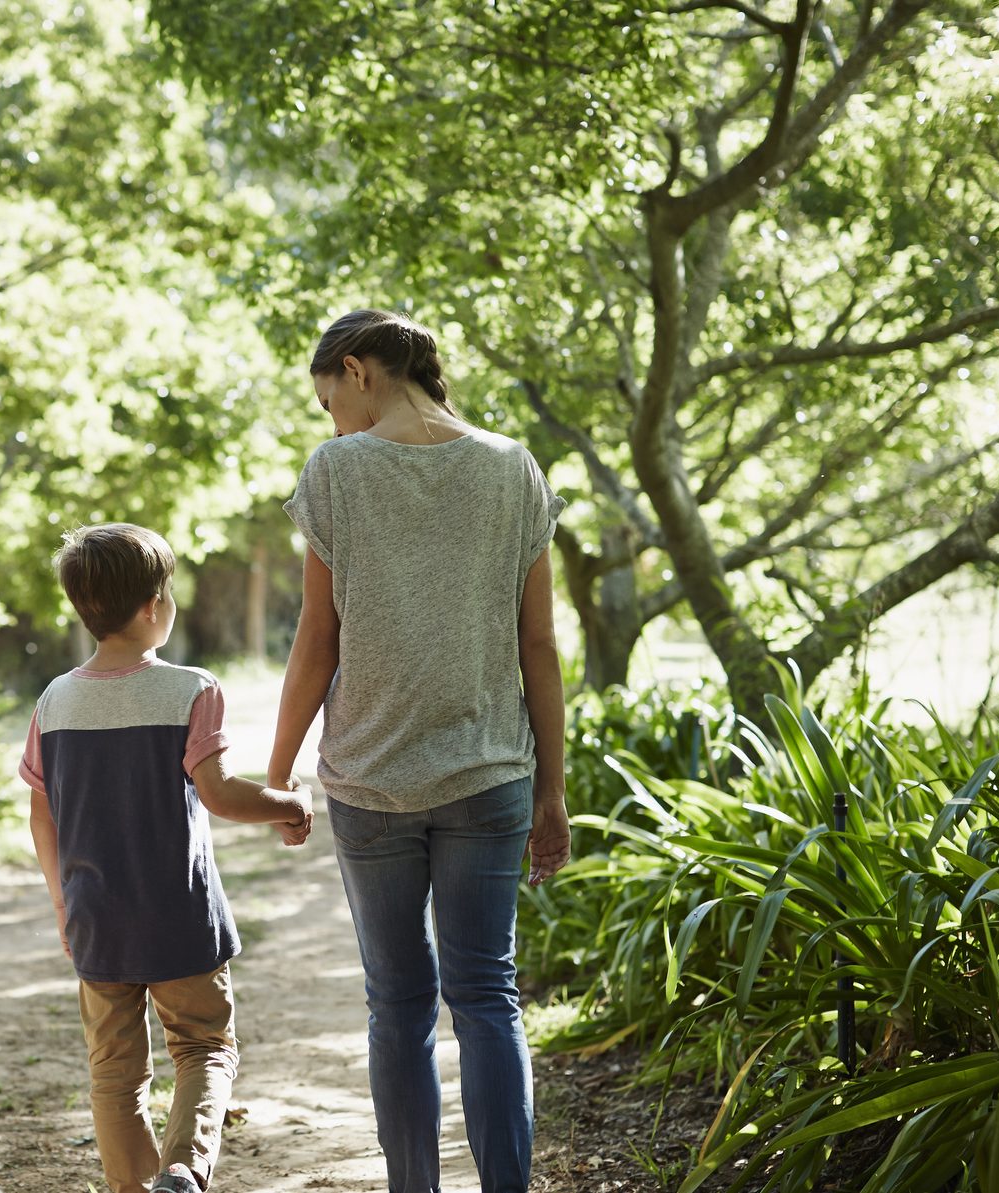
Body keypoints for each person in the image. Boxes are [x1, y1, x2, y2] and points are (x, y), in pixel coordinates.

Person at [266, 310, 571, 1193]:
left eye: (329, 400)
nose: (330, 423)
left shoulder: (336, 470)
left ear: (359, 372)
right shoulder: (512, 467)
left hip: (369, 780)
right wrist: (552, 788)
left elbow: (315, 640)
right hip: (489, 775)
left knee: (396, 1005)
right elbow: (539, 645)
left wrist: (280, 770)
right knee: (486, 996)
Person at [19, 524, 313, 1193]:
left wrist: (62, 902)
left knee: (114, 1072)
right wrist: (287, 804)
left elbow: (42, 811)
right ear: (153, 606)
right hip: (180, 915)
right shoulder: (191, 688)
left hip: (96, 916)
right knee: (204, 1046)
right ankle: (181, 1170)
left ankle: (134, 1185)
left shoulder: (54, 700)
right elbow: (218, 792)